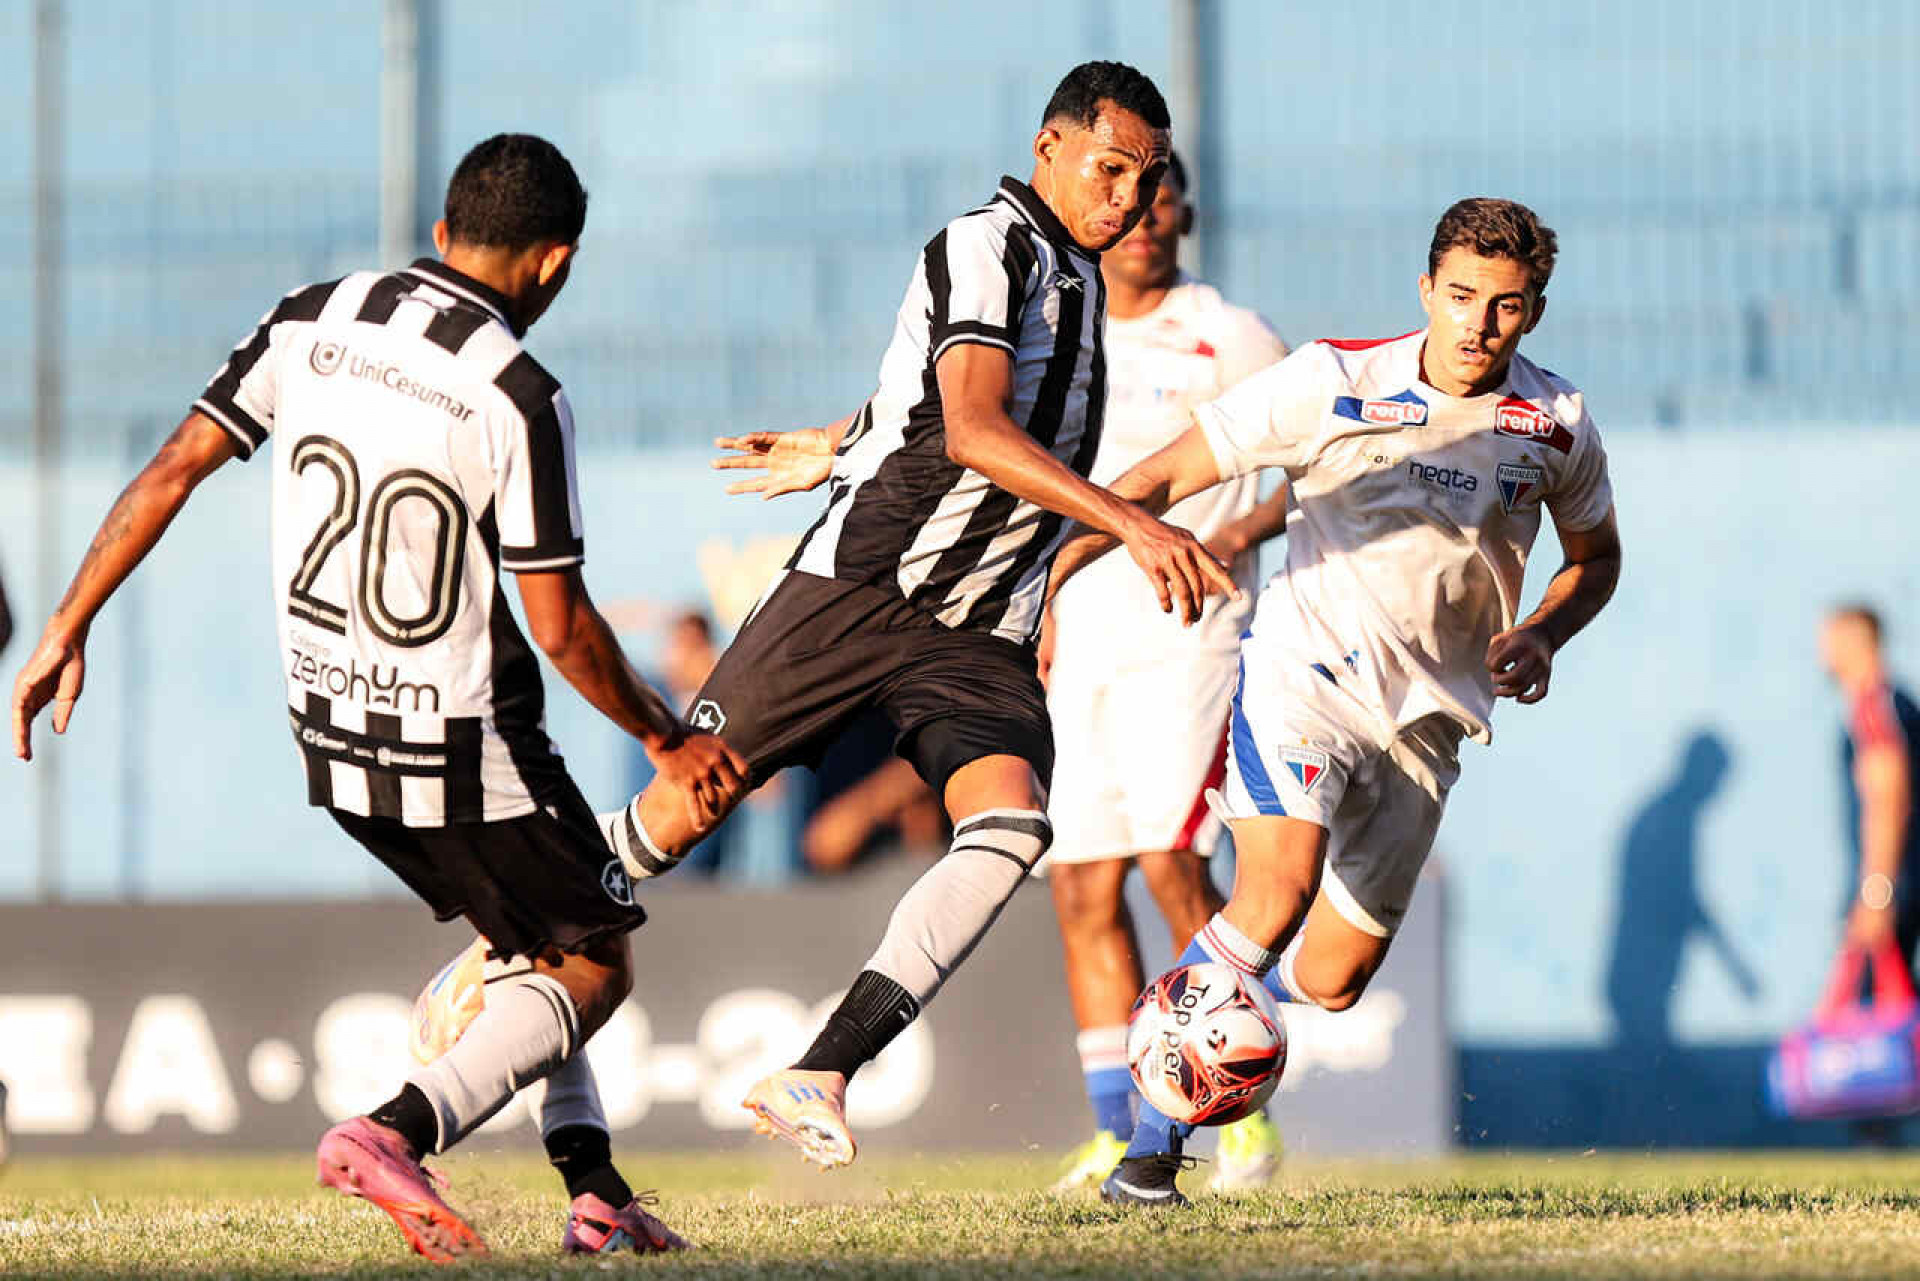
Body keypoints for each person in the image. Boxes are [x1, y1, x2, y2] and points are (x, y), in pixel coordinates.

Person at [9, 134, 745, 1259]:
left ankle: (594, 1195)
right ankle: (391, 1132)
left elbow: (170, 469)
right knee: (595, 962)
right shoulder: (520, 392)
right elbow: (560, 627)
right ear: (556, 264)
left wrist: (67, 623)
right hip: (462, 740)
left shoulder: (310, 315)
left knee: (545, 935)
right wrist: (661, 736)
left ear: (445, 231)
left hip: (329, 733)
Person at [597, 60, 1235, 1170]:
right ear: (1050, 150)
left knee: (1012, 830)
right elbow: (978, 429)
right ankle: (521, 930)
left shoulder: (1078, 283)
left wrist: (836, 441)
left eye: (1149, 178)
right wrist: (1133, 525)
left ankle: (822, 1069)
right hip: (864, 590)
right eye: (1111, 168)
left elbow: (930, 412)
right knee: (684, 810)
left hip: (978, 627)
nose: (1129, 198)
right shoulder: (987, 244)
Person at [1049, 197, 1622, 1205]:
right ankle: (1147, 1153)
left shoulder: (1557, 423)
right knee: (1271, 890)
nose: (1476, 325)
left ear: (1533, 311)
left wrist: (1544, 629)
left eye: (1504, 306)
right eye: (1460, 297)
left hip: (1431, 721)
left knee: (1329, 982)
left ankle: (1203, 1026)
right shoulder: (1332, 380)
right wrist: (1068, 561)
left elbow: (1596, 559)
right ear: (1425, 291)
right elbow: (1170, 471)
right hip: (1302, 676)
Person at [1039, 151, 1290, 1194]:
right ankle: (1112, 1126)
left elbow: (1308, 467)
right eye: (1131, 198)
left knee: (1169, 864)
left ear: (1185, 212)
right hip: (1077, 638)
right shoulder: (1059, 330)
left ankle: (1228, 1119)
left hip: (1188, 631)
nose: (1146, 216)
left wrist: (1241, 532)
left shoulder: (1227, 334)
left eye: (1165, 198)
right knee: (1082, 886)